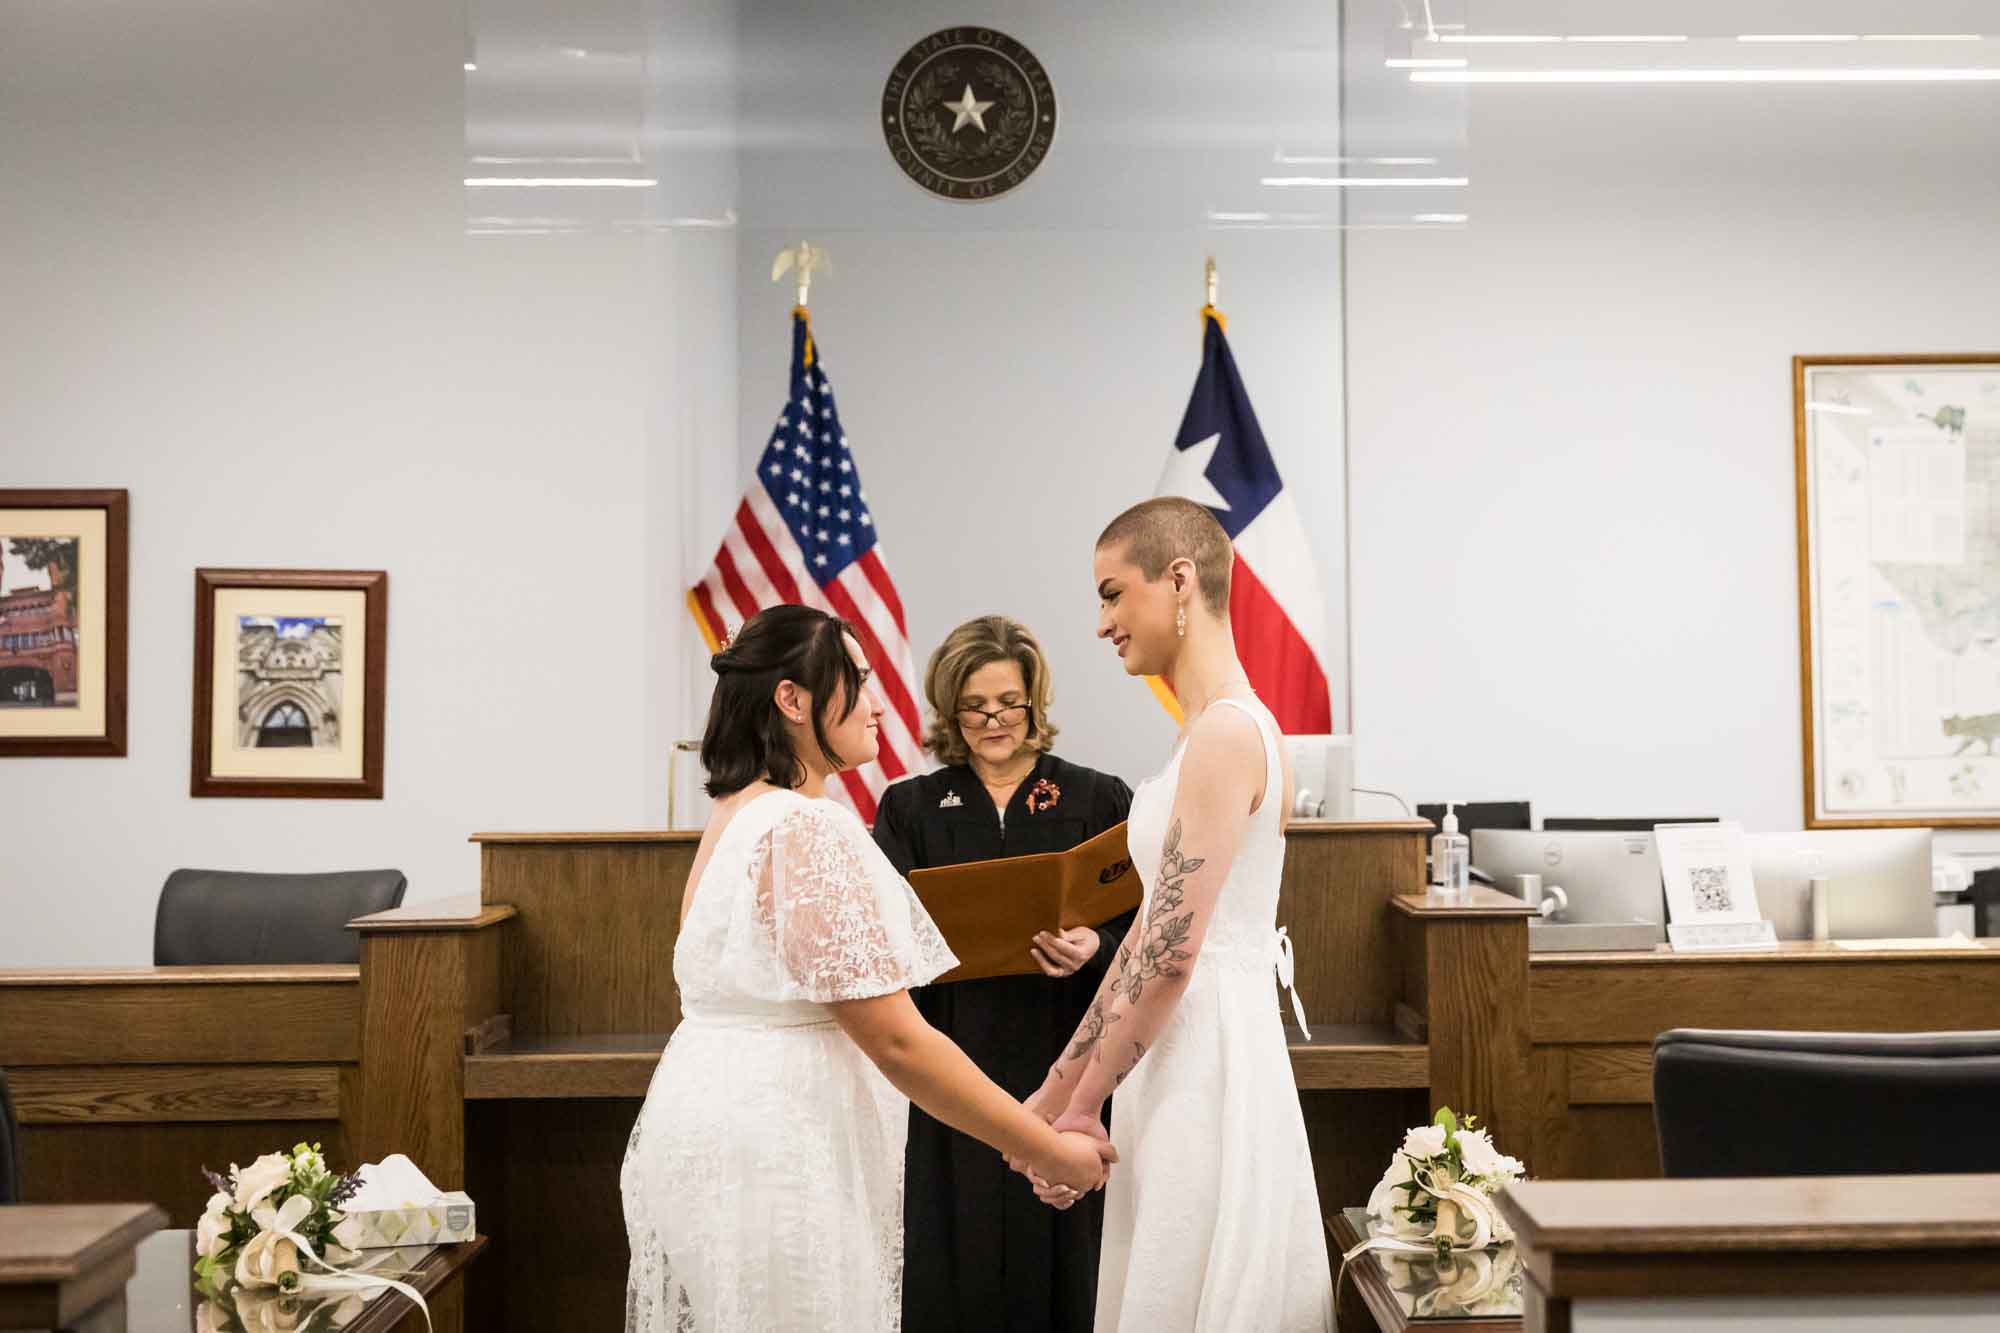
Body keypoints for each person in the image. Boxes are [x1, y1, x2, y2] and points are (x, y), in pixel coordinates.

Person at [621, 604, 1116, 1333]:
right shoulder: (805, 825)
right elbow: (896, 1040)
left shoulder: (734, 813)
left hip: (705, 1129)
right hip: (780, 1147)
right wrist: (1050, 1151)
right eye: (855, 678)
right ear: (792, 699)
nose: (876, 701)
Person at [1023, 497, 1334, 1332]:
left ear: (1180, 580)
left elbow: (1170, 954)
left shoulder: (1228, 735)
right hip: (1169, 1049)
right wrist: (1050, 1102)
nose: (1101, 622)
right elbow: (1137, 955)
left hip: (1209, 1058)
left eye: (1113, 592)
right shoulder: (1199, 734)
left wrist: (1082, 1109)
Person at [873, 615, 1135, 1333]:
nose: (994, 719)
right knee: (950, 1244)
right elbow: (885, 933)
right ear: (951, 711)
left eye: (1009, 702)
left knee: (1065, 1255)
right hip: (953, 1053)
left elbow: (1147, 930)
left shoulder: (1095, 797)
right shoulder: (911, 807)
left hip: (1065, 1050)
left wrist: (1095, 944)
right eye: (976, 704)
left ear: (1034, 702)